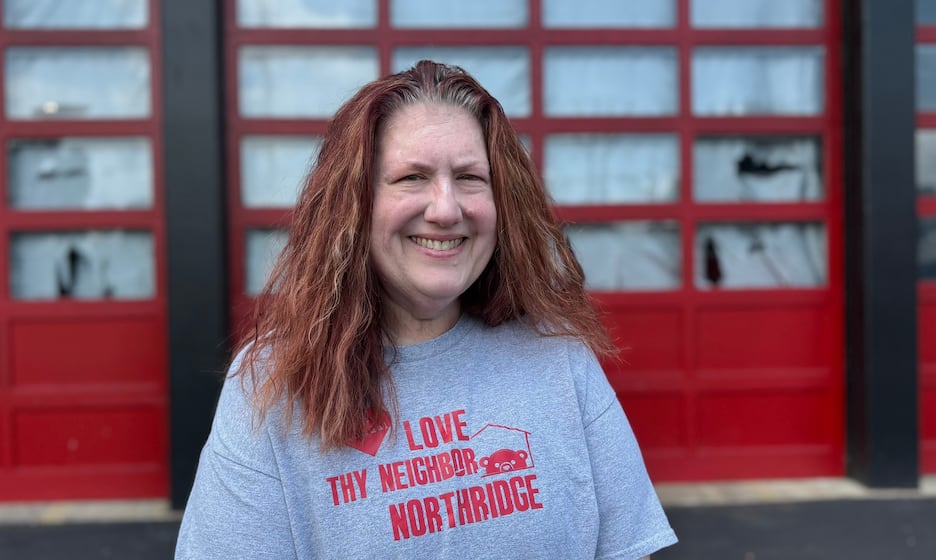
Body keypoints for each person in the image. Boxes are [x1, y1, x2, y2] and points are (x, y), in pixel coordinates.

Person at [175, 60, 677, 559]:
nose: (445, 209)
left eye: (469, 177)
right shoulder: (273, 385)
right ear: (354, 203)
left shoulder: (559, 357)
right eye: (412, 177)